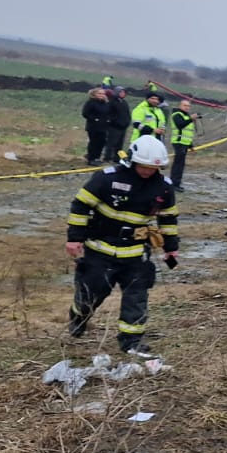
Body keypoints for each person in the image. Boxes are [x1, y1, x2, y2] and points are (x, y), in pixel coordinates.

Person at [65, 135, 180, 354]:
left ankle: (132, 341)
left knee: (137, 298)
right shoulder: (106, 179)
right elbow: (80, 205)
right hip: (100, 250)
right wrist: (74, 238)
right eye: (144, 167)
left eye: (152, 168)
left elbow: (168, 218)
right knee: (90, 293)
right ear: (133, 161)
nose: (148, 172)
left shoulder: (163, 187)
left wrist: (171, 247)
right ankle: (78, 318)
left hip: (136, 254)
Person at [167, 99, 198, 191]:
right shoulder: (177, 115)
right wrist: (190, 119)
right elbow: (180, 125)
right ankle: (174, 183)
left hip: (184, 143)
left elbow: (187, 133)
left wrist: (190, 145)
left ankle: (177, 183)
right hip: (178, 142)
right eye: (185, 105)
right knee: (178, 164)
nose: (187, 107)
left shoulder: (186, 116)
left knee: (181, 164)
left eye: (188, 106)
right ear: (180, 106)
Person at [80, 87, 111, 166]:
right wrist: (94, 119)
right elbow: (85, 113)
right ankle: (91, 158)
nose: (102, 95)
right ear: (94, 94)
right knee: (94, 142)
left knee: (102, 142)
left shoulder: (105, 103)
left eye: (103, 94)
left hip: (103, 127)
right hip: (93, 127)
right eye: (99, 93)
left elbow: (107, 113)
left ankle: (97, 157)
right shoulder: (90, 102)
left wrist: (108, 120)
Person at [103, 87, 131, 163]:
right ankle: (107, 158)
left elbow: (127, 113)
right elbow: (108, 114)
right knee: (111, 143)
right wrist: (113, 121)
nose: (123, 94)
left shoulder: (124, 102)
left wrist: (127, 122)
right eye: (121, 92)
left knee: (120, 144)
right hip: (114, 127)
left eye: (124, 92)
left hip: (123, 127)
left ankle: (117, 158)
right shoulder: (112, 102)